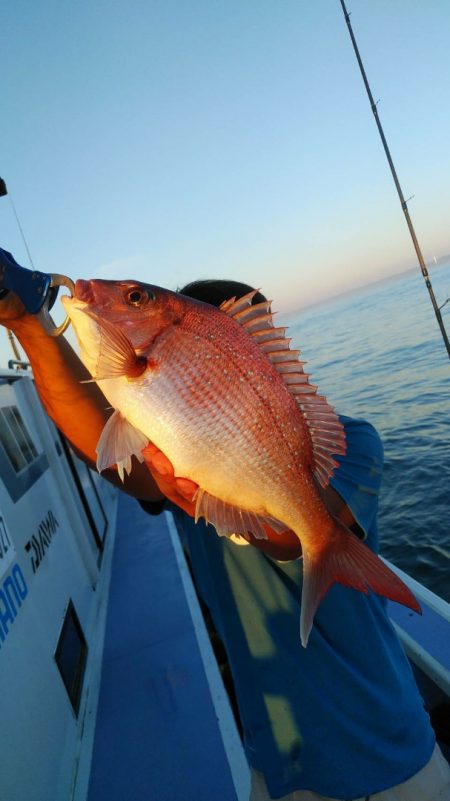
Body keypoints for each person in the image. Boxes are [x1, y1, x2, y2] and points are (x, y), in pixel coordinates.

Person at [0, 274, 449, 801]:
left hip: (395, 749)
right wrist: (28, 322)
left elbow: (289, 537)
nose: (263, 363)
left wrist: (242, 512)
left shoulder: (355, 442)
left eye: (265, 349)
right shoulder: (172, 456)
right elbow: (96, 435)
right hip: (278, 765)